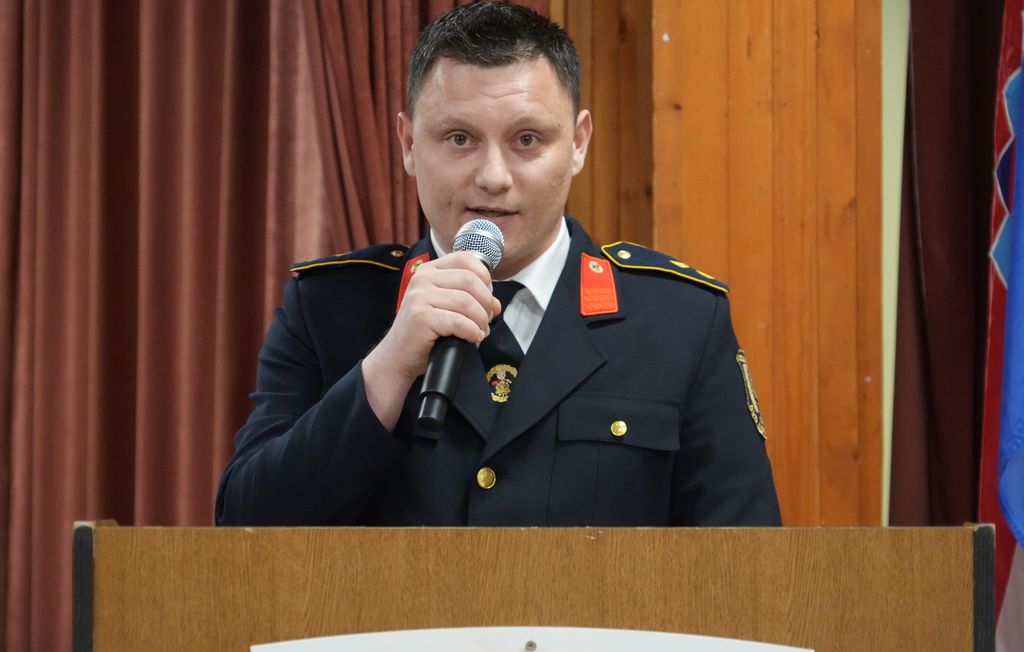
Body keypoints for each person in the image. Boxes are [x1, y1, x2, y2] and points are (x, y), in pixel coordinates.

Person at [216, 2, 781, 527]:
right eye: (459, 138)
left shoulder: (681, 319)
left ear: (578, 143)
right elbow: (245, 526)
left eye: (526, 139)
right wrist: (388, 367)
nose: (493, 177)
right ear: (409, 144)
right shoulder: (328, 307)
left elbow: (744, 559)